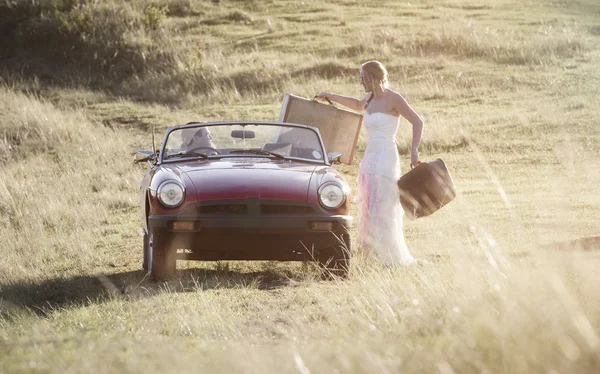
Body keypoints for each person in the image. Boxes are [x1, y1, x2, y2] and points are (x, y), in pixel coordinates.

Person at [316, 60, 424, 265]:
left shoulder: (394, 99)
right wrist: (330, 96)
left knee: (383, 202)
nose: (360, 81)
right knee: (368, 202)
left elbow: (418, 121)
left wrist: (414, 151)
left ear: (374, 78)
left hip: (386, 156)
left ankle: (388, 255)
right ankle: (371, 255)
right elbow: (356, 105)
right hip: (370, 156)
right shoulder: (369, 98)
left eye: (363, 78)